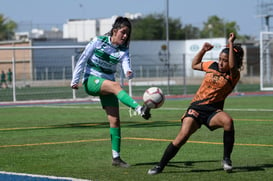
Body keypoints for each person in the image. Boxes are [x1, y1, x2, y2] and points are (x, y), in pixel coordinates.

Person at [148, 32, 244, 175]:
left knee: (228, 121)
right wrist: (203, 50)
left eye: (224, 59)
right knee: (183, 136)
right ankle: (160, 166)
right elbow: (194, 65)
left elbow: (231, 65)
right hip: (196, 108)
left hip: (213, 111)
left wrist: (230, 42)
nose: (221, 62)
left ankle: (226, 159)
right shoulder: (212, 65)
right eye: (220, 58)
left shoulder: (233, 74)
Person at [71, 16, 151, 168]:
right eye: (123, 32)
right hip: (91, 80)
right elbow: (82, 59)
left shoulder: (123, 50)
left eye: (128, 33)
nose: (126, 36)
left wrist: (129, 73)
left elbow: (127, 65)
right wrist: (75, 80)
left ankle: (116, 158)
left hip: (106, 84)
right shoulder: (98, 41)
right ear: (115, 31)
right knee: (116, 86)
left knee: (115, 121)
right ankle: (140, 109)